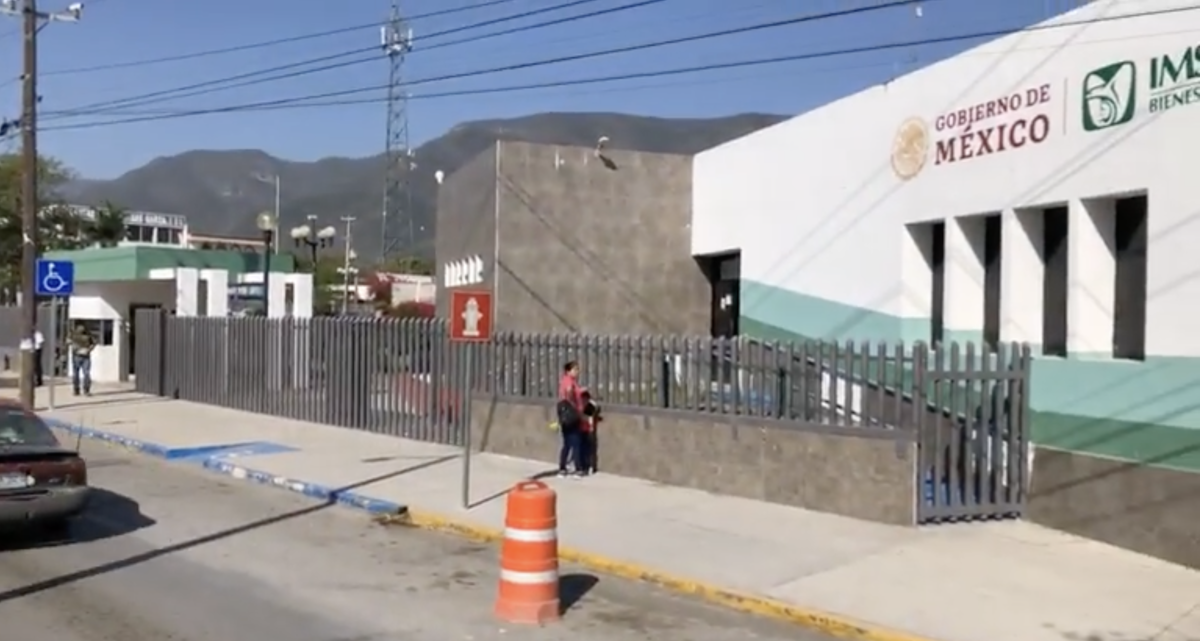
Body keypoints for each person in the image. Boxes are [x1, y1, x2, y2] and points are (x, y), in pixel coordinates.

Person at [556, 360, 587, 478]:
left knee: (567, 443)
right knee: (576, 442)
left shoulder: (565, 380)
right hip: (572, 416)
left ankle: (562, 468)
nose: (577, 372)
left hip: (565, 417)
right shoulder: (569, 381)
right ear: (568, 371)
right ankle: (578, 468)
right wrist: (575, 408)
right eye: (575, 369)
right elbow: (569, 393)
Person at [69, 324, 95, 397]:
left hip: (85, 356)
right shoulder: (73, 334)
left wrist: (88, 350)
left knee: (86, 373)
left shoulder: (88, 335)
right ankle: (76, 389)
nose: (81, 329)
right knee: (76, 373)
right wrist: (75, 347)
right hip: (76, 355)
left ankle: (86, 389)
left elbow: (93, 344)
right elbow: (68, 341)